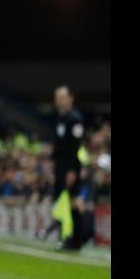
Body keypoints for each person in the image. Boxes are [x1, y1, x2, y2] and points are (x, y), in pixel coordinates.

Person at [51, 85, 85, 250]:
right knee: (60, 202)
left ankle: (77, 239)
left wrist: (72, 170)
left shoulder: (75, 119)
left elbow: (75, 146)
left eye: (62, 97)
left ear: (71, 98)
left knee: (72, 202)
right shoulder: (60, 118)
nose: (59, 100)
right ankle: (65, 236)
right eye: (57, 97)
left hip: (71, 166)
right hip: (60, 166)